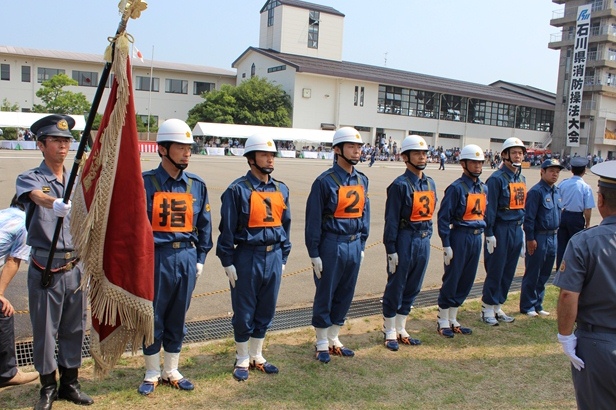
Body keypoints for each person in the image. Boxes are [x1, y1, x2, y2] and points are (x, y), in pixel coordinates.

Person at [15, 114, 94, 409]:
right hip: (45, 266)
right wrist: (53, 202)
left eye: (66, 141)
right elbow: (34, 195)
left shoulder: (76, 179)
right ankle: (47, 386)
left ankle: (70, 383)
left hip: (74, 265)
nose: (63, 146)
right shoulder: (33, 178)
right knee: (46, 330)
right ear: (41, 144)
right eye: (56, 141)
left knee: (75, 327)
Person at [139, 119, 213, 395]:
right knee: (153, 316)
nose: (187, 153)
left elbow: (204, 222)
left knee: (178, 316)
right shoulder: (145, 183)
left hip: (186, 257)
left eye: (189, 148)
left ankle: (171, 369)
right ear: (162, 149)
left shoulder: (196, 185)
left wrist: (201, 257)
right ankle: (151, 371)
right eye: (180, 147)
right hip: (155, 259)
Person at [217, 133, 291, 381]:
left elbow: (285, 224)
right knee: (244, 310)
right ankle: (241, 358)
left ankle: (257, 355)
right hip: (247, 257)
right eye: (264, 155)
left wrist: (284, 255)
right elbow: (226, 228)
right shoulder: (237, 190)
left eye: (272, 155)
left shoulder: (281, 188)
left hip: (274, 255)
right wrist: (227, 260)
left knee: (266, 309)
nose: (270, 159)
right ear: (250, 159)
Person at [553, 161, 616, 409]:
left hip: (597, 342)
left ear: (600, 200)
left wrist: (565, 337)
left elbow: (568, 294)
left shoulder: (585, 242)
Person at [306, 127, 369, 363]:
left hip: (353, 243)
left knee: (346, 292)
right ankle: (321, 341)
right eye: (351, 146)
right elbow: (313, 220)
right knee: (326, 292)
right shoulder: (324, 182)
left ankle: (334, 337)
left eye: (359, 147)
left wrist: (362, 243)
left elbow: (365, 214)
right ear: (337, 150)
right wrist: (314, 252)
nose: (356, 151)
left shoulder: (362, 180)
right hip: (331, 244)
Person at [382, 135, 436, 350]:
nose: (422, 157)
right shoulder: (399, 185)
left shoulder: (430, 182)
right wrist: (391, 249)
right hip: (405, 238)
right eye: (417, 153)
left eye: (424, 153)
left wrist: (428, 235)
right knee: (397, 285)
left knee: (414, 285)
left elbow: (430, 214)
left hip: (423, 239)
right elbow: (392, 220)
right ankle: (389, 330)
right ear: (405, 157)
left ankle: (402, 327)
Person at [436, 144, 486, 338]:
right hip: (460, 236)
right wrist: (446, 243)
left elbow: (485, 213)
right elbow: (443, 218)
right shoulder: (456, 188)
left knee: (467, 278)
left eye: (480, 162)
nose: (477, 166)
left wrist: (488, 234)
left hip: (476, 237)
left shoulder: (483, 187)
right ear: (464, 164)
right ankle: (442, 319)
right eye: (473, 162)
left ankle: (453, 317)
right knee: (453, 277)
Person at [481, 137, 527, 326]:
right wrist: (489, 232)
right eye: (514, 152)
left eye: (520, 152)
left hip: (516, 229)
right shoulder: (496, 179)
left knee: (509, 270)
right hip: (500, 229)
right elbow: (489, 209)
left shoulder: (521, 178)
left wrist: (522, 231)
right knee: (496, 268)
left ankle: (498, 304)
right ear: (505, 155)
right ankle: (487, 308)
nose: (518, 155)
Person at [0, 195, 39, 388]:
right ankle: (7, 373)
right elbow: (12, 262)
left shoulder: (4, 214)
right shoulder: (25, 225)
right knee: (3, 313)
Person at [520, 159, 563, 317]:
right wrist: (530, 238)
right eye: (551, 171)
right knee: (533, 271)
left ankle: (538, 303)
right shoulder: (536, 192)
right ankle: (527, 305)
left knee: (545, 272)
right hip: (539, 236)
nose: (555, 174)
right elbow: (529, 218)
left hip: (553, 236)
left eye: (557, 171)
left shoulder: (556, 191)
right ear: (542, 172)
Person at [556, 156, 594, 269]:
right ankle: (572, 267)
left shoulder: (563, 183)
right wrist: (587, 223)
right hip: (576, 217)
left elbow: (557, 199)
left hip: (563, 215)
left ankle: (560, 267)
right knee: (576, 244)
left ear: (571, 170)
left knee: (562, 243)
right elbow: (588, 208)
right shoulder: (585, 187)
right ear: (584, 171)